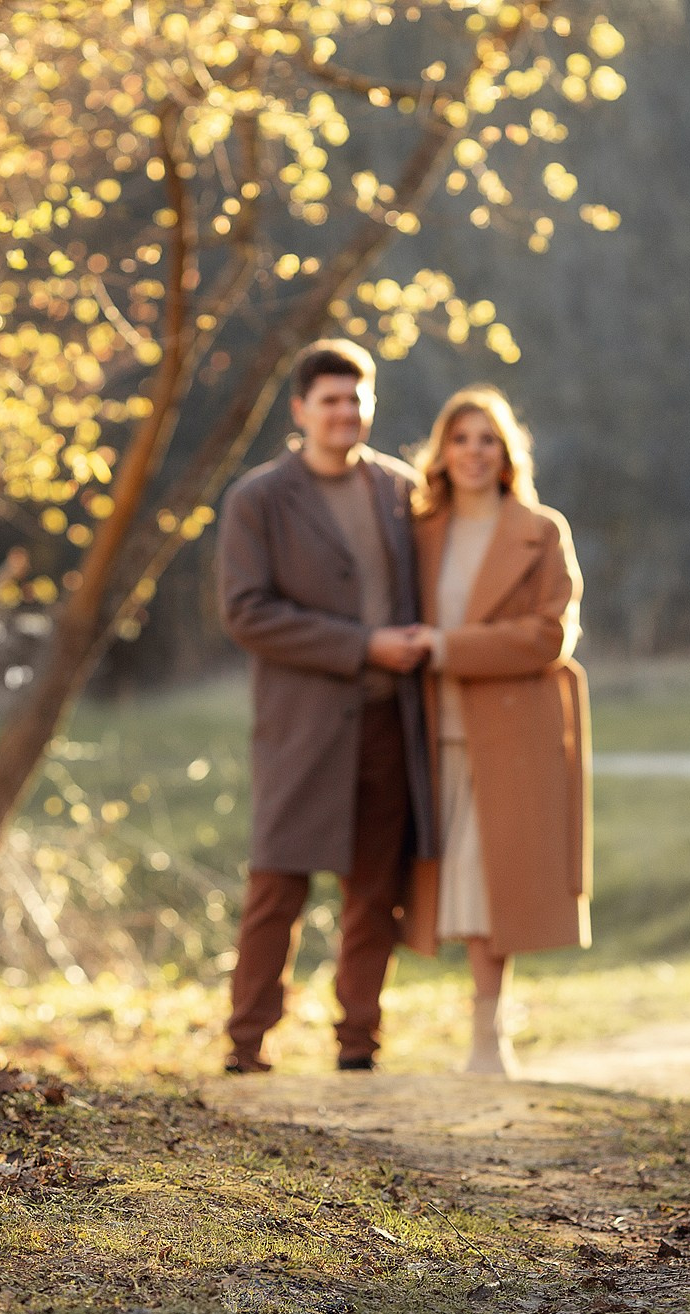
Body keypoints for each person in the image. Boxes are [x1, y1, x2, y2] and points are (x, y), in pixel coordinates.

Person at [216, 339, 436, 1075]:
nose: (345, 412)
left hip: (388, 725)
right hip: (302, 726)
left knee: (374, 892)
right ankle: (246, 1045)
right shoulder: (258, 499)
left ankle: (358, 1046)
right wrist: (365, 644)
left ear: (369, 405)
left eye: (356, 398)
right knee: (277, 883)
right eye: (330, 400)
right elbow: (247, 613)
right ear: (301, 409)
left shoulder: (403, 490)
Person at [400, 386, 591, 1077]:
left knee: (491, 881)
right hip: (426, 727)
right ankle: (379, 1033)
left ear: (506, 452)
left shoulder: (540, 530)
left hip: (509, 730)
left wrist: (450, 647)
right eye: (461, 438)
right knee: (442, 880)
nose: (474, 452)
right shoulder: (416, 532)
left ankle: (489, 1038)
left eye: (487, 439)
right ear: (442, 452)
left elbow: (549, 634)